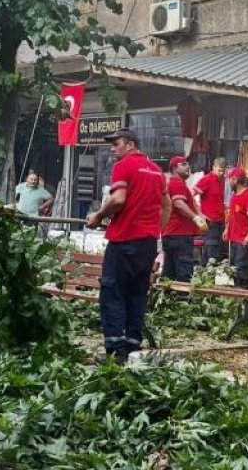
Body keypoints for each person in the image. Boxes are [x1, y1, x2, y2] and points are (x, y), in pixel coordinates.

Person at [85, 128, 170, 365]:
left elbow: (118, 199)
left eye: (116, 143)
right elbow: (167, 206)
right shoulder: (155, 170)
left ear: (130, 144)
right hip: (147, 244)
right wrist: (154, 230)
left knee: (112, 293)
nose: (113, 149)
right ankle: (133, 347)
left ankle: (115, 351)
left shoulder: (123, 166)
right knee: (136, 293)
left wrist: (98, 216)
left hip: (123, 241)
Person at [162, 156, 206, 285]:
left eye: (188, 164)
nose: (188, 166)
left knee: (169, 273)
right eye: (183, 164)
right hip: (179, 234)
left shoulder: (177, 184)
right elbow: (179, 204)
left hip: (171, 234)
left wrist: (200, 215)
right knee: (183, 273)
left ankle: (167, 302)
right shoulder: (177, 183)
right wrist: (195, 217)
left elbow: (189, 203)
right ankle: (183, 302)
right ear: (174, 168)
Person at [225, 167, 248, 288]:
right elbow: (232, 215)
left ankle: (245, 294)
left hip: (243, 239)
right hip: (234, 238)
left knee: (242, 268)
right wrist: (227, 229)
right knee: (234, 268)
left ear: (235, 179)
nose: (228, 182)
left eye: (230, 179)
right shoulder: (234, 196)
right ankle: (237, 294)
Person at [194, 157, 227, 264]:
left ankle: (204, 274)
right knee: (212, 252)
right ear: (214, 168)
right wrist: (200, 213)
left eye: (223, 170)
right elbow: (191, 196)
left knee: (215, 252)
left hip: (220, 221)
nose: (221, 173)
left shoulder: (222, 180)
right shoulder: (207, 179)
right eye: (219, 170)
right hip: (210, 221)